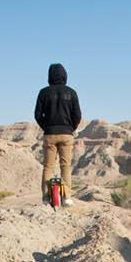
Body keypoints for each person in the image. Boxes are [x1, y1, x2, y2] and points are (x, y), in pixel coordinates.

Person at [34, 63, 81, 207]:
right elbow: (77, 115)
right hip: (67, 134)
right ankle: (67, 197)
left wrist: (46, 127)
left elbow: (37, 115)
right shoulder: (71, 92)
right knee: (65, 166)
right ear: (64, 75)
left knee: (48, 167)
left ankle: (45, 198)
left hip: (50, 134)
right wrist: (70, 128)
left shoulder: (43, 92)